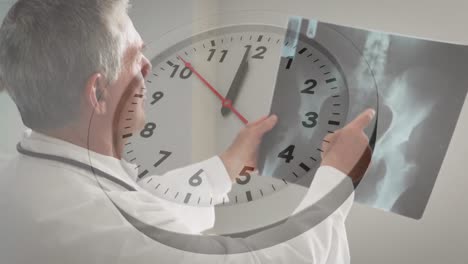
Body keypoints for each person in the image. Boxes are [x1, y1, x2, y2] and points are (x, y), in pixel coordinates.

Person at [0, 0, 375, 263]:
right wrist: (336, 181)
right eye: (135, 57)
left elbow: (144, 211)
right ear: (97, 92)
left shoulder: (18, 176)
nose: (149, 66)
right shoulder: (112, 231)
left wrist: (225, 165)